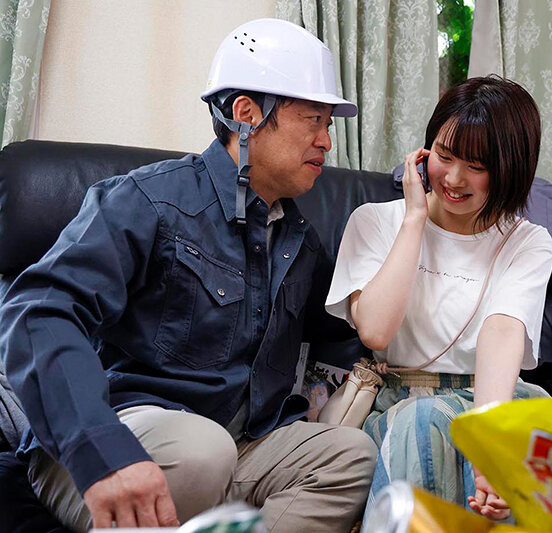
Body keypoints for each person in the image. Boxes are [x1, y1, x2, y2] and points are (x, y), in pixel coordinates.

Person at [0, 19, 376, 533]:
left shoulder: (299, 241)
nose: (326, 141)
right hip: (122, 441)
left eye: (328, 124)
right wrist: (98, 449)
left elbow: (357, 324)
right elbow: (38, 313)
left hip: (241, 445)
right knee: (203, 449)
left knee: (351, 455)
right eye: (313, 119)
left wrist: (420, 217)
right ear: (246, 114)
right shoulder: (148, 201)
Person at [325, 76, 552, 520]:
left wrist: (488, 444)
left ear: (510, 169)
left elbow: (502, 331)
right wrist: (415, 218)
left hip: (491, 400)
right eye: (444, 156)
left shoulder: (528, 242)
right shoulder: (374, 222)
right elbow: (374, 331)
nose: (453, 178)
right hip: (402, 406)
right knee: (423, 425)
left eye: (476, 166)